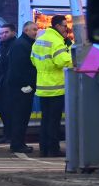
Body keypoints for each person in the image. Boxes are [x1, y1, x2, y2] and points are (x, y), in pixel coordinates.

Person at [31, 15, 74, 157]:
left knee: (45, 119)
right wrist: (72, 53)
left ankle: (43, 149)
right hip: (56, 86)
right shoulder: (56, 41)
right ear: (57, 26)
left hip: (42, 86)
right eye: (64, 25)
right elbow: (62, 62)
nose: (66, 28)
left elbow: (33, 60)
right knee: (54, 121)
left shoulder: (40, 40)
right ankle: (53, 149)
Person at [4, 21, 39, 153]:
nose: (36, 32)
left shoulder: (22, 43)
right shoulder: (22, 45)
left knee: (21, 116)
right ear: (26, 31)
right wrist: (29, 84)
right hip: (20, 88)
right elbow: (21, 68)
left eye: (36, 29)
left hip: (19, 87)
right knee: (20, 116)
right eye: (33, 30)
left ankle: (18, 143)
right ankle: (18, 144)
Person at [0, 23, 16, 144]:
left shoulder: (14, 47)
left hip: (10, 84)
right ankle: (7, 134)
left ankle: (11, 135)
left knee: (10, 111)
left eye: (6, 32)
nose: (3, 35)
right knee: (3, 110)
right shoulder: (1, 48)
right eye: (1, 33)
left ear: (13, 33)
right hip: (0, 84)